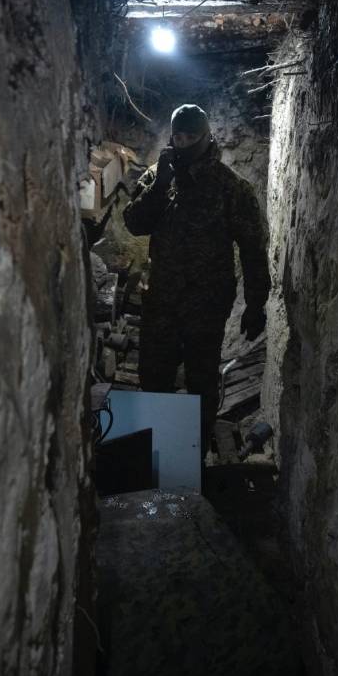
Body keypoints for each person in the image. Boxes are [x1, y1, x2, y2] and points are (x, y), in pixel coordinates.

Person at [123, 104, 269, 452]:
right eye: (178, 135)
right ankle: (156, 459)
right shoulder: (160, 177)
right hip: (162, 301)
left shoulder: (229, 187)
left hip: (206, 305)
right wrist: (159, 187)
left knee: (201, 383)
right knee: (154, 377)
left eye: (191, 136)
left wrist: (255, 303)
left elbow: (252, 246)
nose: (184, 142)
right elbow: (134, 223)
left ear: (207, 137)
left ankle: (193, 460)